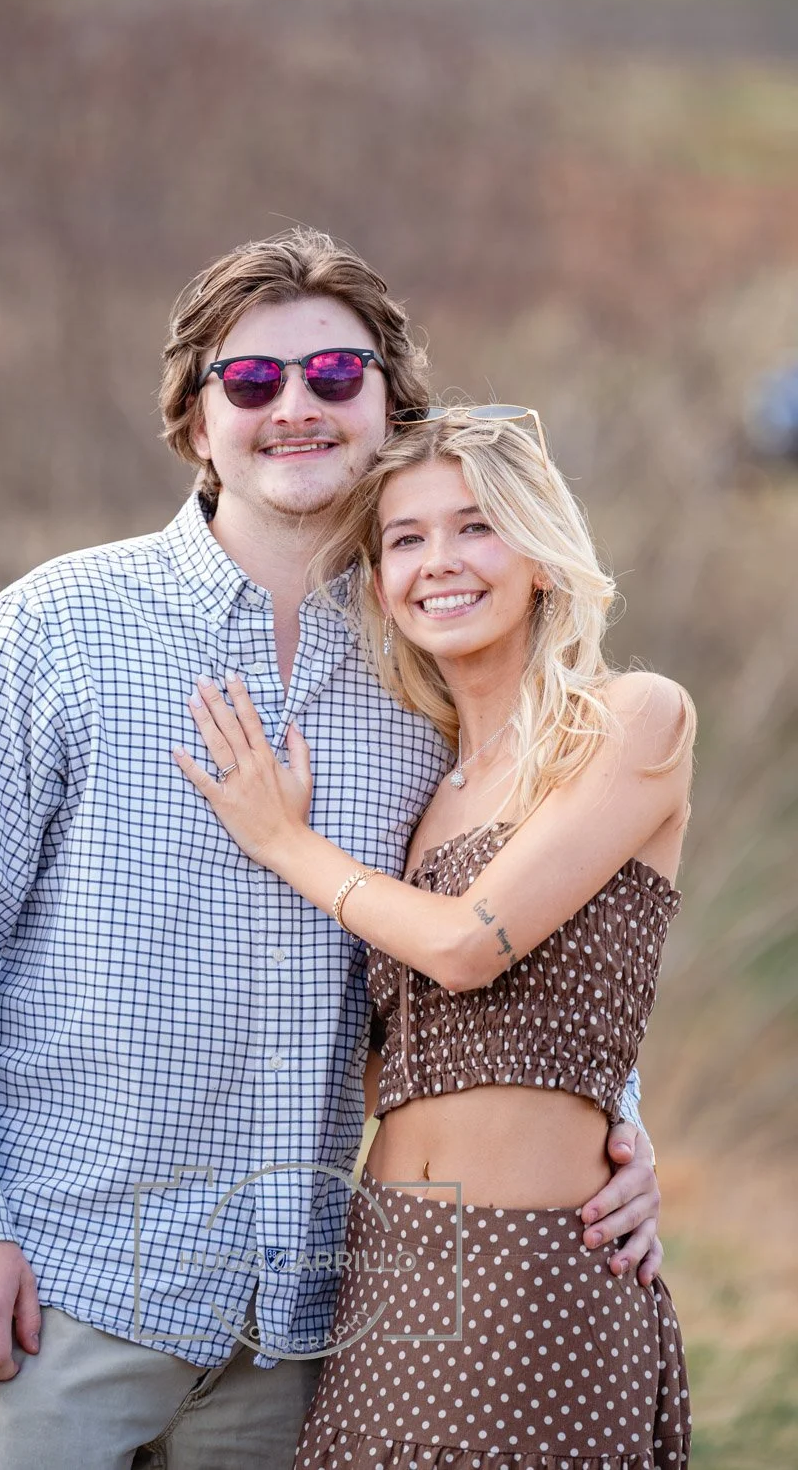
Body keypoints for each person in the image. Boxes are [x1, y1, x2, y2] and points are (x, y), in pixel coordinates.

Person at [0, 231, 663, 1470]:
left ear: (387, 408)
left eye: (335, 377)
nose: (295, 406)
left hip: (297, 1327)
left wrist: (612, 1125)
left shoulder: (427, 677)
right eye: (251, 383)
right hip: (53, 1294)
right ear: (196, 422)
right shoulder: (57, 627)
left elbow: (510, 928)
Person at [175, 407, 694, 1469]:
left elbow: (467, 947)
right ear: (375, 583)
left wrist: (285, 840)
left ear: (540, 556)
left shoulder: (635, 720)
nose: (439, 563)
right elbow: (411, 1063)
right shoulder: (430, 789)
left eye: (475, 527)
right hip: (386, 1270)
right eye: (405, 539)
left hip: (528, 1269)